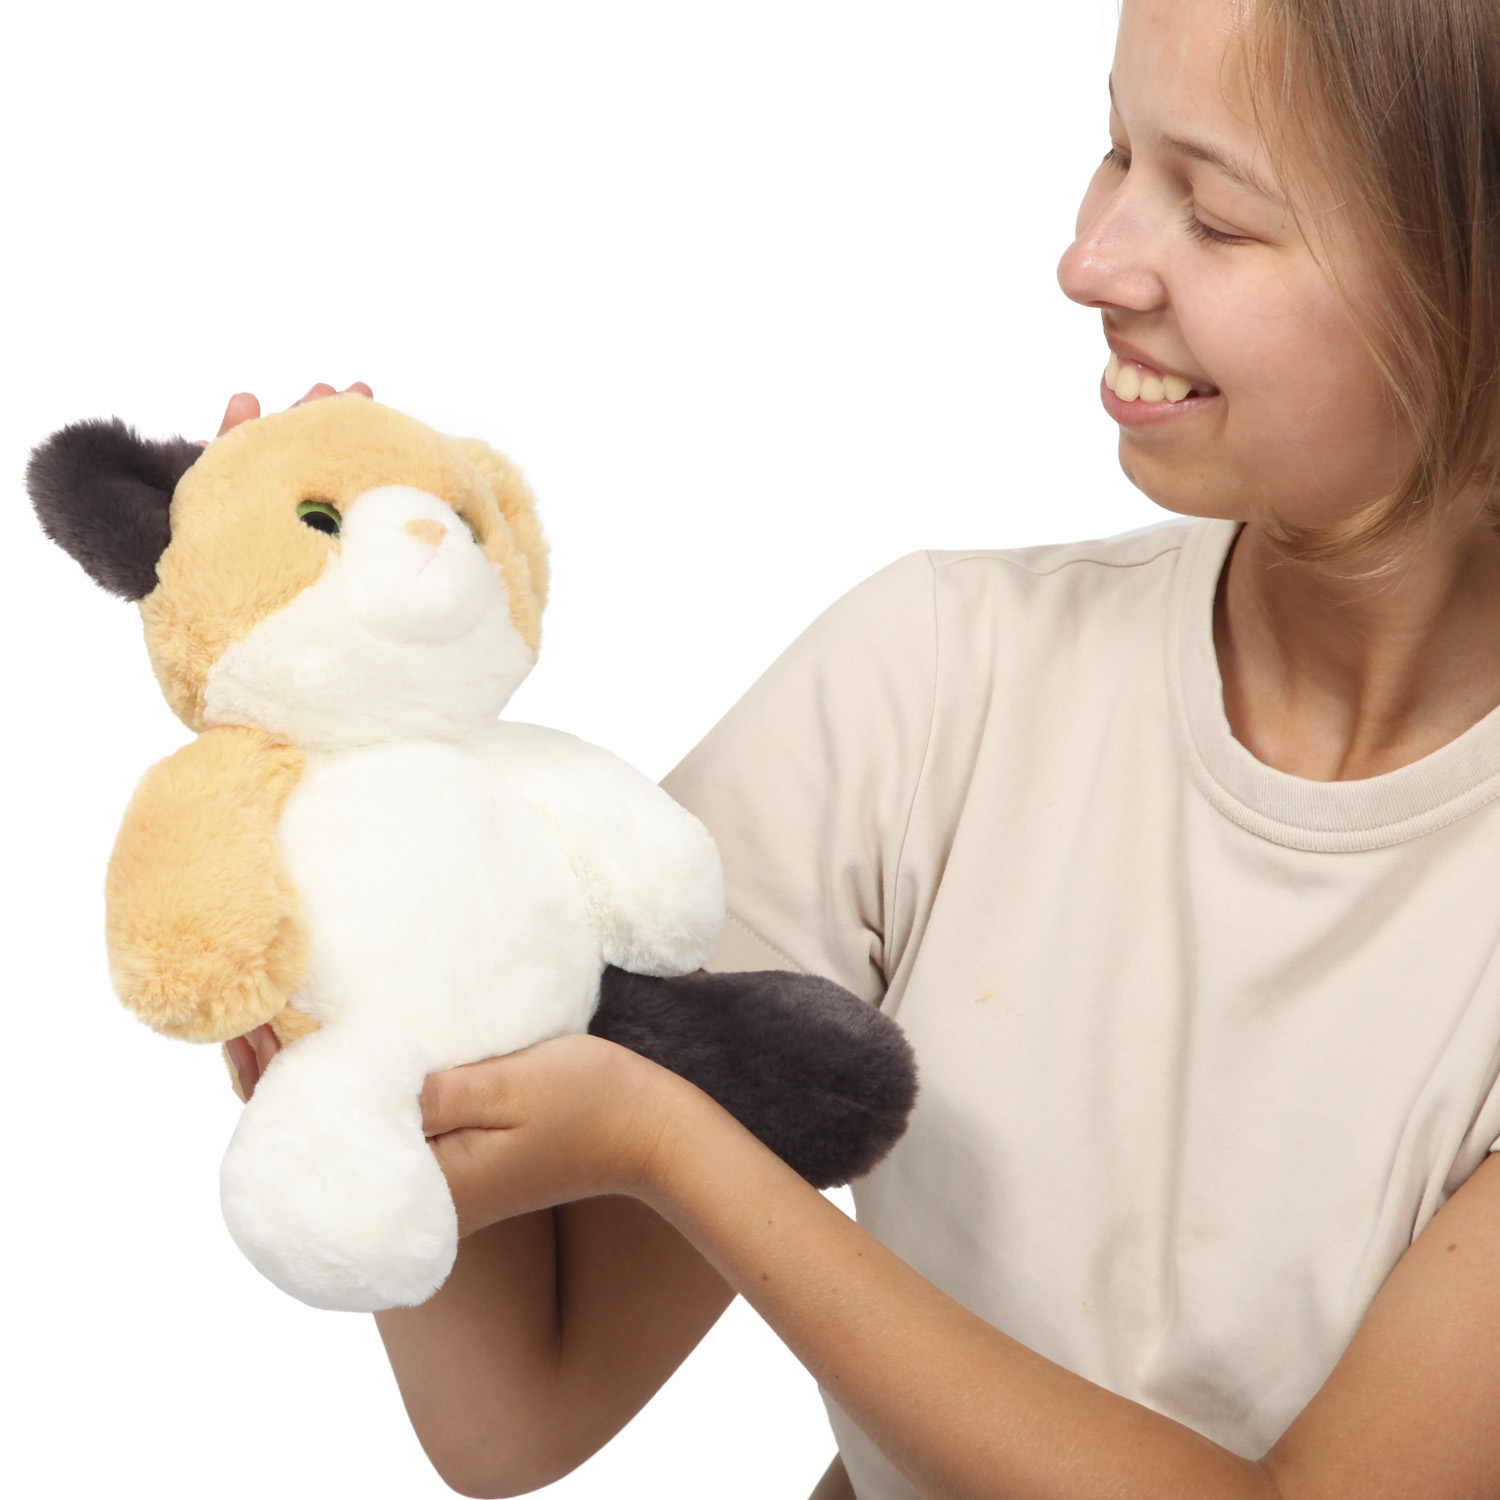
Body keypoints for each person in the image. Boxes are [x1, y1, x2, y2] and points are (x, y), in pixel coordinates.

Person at [226, 0, 1500, 1494]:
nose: (1088, 259)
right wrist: (354, 769)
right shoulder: (943, 679)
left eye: (1214, 214)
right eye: (1113, 150)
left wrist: (680, 1151)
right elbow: (520, 1404)